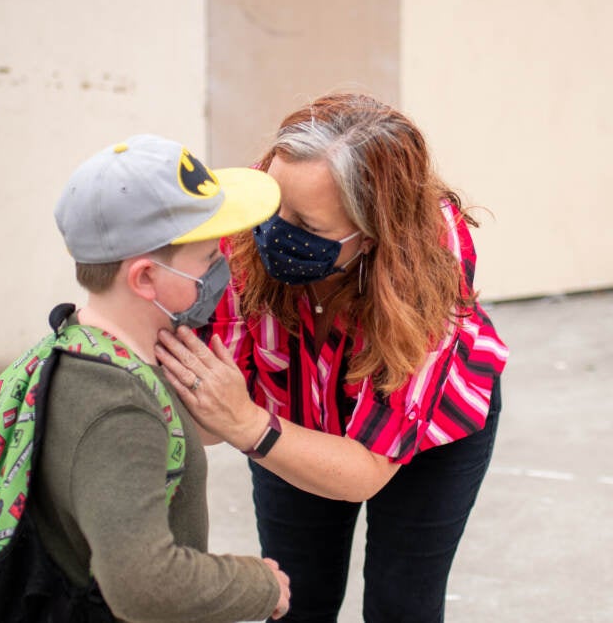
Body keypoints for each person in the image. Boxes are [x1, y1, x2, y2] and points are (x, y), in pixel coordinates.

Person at [0, 135, 290, 622]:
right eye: (209, 259)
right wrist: (259, 584)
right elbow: (143, 585)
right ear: (145, 278)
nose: (222, 271)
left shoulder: (77, 345)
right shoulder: (118, 407)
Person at [154, 93, 508, 622]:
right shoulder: (249, 215)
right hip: (287, 412)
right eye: (275, 208)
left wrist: (246, 422)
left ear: (372, 230)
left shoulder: (428, 259)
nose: (274, 231)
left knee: (402, 606)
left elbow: (363, 471)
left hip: (424, 427)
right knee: (295, 600)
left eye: (309, 227)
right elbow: (208, 418)